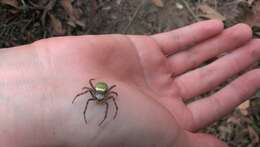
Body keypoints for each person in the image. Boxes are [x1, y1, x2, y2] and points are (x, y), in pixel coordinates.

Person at [0, 19, 258, 147]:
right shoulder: (95, 92)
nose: (100, 100)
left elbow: (108, 95)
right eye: (97, 96)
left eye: (100, 97)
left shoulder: (106, 94)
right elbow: (88, 90)